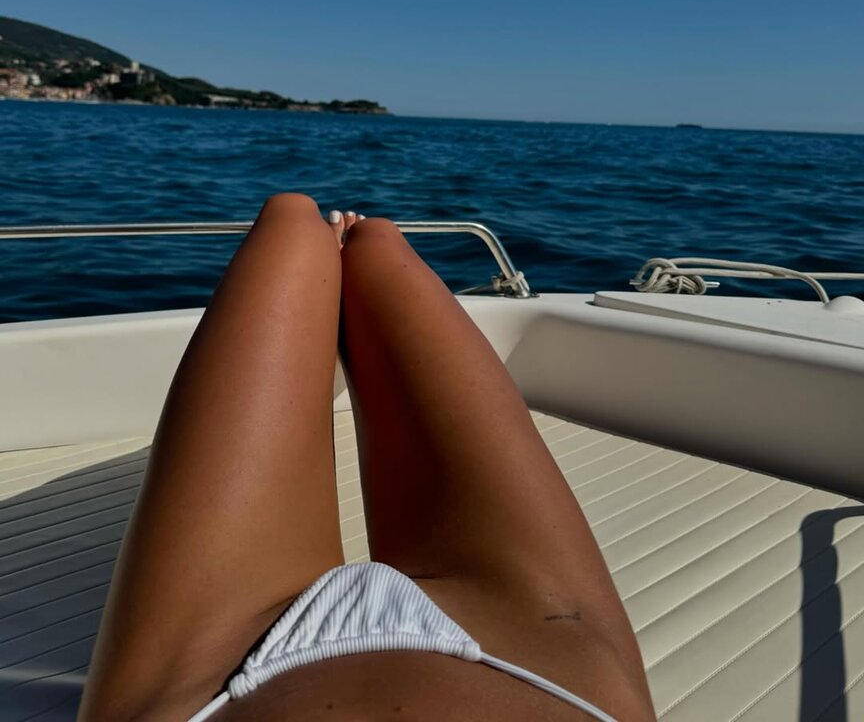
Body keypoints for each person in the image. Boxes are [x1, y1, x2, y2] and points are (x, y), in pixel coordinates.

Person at [78, 195, 655, 722]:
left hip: (210, 686)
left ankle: (341, 243)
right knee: (337, 236)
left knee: (296, 220)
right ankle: (349, 248)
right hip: (549, 674)